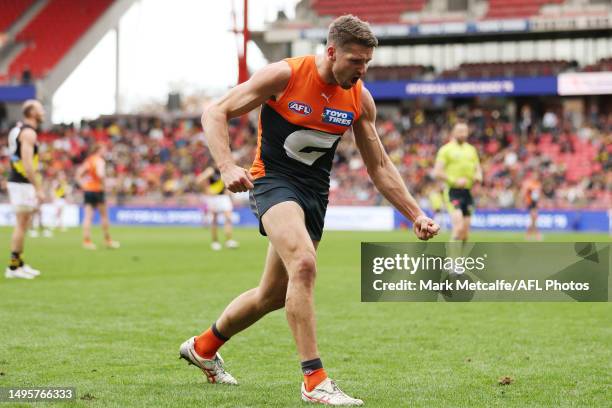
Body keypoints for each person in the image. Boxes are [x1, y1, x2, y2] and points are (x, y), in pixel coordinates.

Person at [179, 15, 439, 406]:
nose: (362, 69)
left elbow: (379, 166)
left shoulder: (359, 98)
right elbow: (215, 112)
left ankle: (203, 346)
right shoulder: (283, 75)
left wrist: (415, 213)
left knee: (270, 295)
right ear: (331, 52)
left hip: (314, 194)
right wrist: (226, 166)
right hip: (271, 181)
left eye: (367, 62)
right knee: (303, 263)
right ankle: (315, 381)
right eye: (355, 60)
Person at [5, 100, 45, 279]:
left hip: (18, 181)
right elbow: (27, 163)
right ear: (32, 113)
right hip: (22, 183)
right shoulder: (28, 133)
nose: (43, 112)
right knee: (21, 225)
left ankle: (18, 263)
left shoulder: (18, 130)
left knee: (23, 224)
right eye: (40, 109)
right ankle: (13, 267)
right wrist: (38, 187)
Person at [433, 122, 482, 243]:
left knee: (465, 232)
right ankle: (453, 260)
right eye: (460, 131)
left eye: (465, 131)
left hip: (468, 192)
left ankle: (461, 259)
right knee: (458, 226)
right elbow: (437, 172)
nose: (463, 134)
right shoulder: (446, 150)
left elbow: (478, 169)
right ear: (453, 133)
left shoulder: (471, 150)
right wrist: (454, 181)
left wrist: (478, 178)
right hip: (452, 192)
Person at [75, 144, 119, 250]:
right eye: (104, 149)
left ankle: (87, 241)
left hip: (88, 190)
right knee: (104, 216)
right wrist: (106, 184)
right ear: (99, 150)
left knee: (87, 217)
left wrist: (83, 185)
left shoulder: (89, 160)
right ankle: (107, 239)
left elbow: (78, 174)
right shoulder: (100, 161)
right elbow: (100, 175)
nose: (105, 152)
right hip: (98, 190)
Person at [196, 166, 239, 251]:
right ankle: (215, 242)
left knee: (228, 218)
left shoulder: (225, 170)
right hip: (214, 198)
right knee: (214, 220)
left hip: (224, 197)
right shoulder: (211, 170)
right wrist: (206, 190)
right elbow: (199, 180)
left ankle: (229, 241)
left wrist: (228, 190)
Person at [521, 170, 542, 241]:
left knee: (533, 220)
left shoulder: (538, 184)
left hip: (535, 203)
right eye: (534, 175)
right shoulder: (529, 184)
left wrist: (539, 202)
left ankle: (529, 235)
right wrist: (524, 201)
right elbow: (525, 193)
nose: (535, 177)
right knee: (534, 220)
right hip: (530, 203)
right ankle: (536, 235)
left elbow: (538, 195)